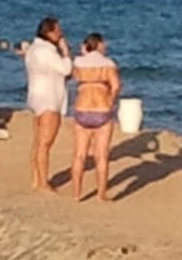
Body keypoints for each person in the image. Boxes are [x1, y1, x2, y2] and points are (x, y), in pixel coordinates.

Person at [71, 33, 121, 202]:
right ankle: (101, 194)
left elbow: (74, 76)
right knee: (101, 155)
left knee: (79, 155)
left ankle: (77, 193)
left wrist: (83, 52)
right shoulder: (108, 63)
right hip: (101, 109)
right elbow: (116, 86)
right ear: (99, 44)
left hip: (82, 108)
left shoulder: (78, 62)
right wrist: (111, 100)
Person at [25, 16, 72, 192]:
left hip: (37, 96)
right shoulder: (46, 51)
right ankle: (43, 183)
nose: (61, 34)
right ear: (50, 33)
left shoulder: (33, 49)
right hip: (49, 99)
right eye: (58, 30)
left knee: (38, 142)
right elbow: (66, 69)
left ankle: (37, 179)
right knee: (45, 143)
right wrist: (65, 51)